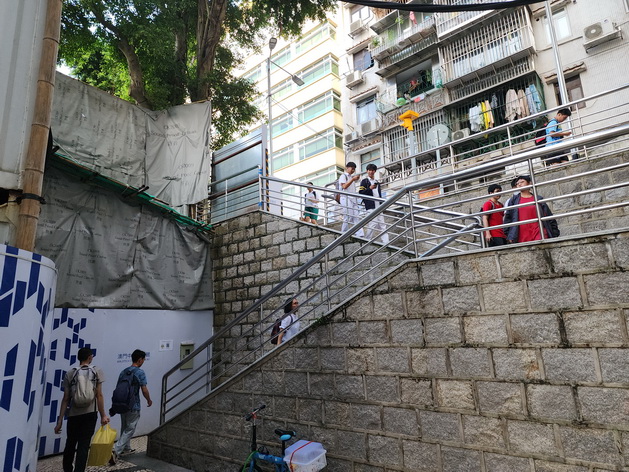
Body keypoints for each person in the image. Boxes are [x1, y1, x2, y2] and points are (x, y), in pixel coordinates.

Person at [54, 347, 109, 472]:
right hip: (90, 414)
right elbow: (99, 395)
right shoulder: (97, 371)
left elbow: (66, 398)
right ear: (90, 357)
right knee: (83, 446)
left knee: (70, 444)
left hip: (74, 415)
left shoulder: (70, 373)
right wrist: (103, 415)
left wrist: (60, 420)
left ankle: (68, 469)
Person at [109, 349, 152, 464]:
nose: (143, 361)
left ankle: (126, 448)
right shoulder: (140, 372)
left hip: (122, 404)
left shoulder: (124, 371)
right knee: (130, 428)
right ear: (140, 360)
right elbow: (144, 389)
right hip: (134, 405)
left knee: (124, 426)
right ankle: (116, 450)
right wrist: (149, 400)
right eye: (143, 359)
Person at [503, 175, 559, 243]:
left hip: (538, 231)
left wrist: (554, 231)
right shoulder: (513, 201)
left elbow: (548, 215)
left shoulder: (538, 199)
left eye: (522, 182)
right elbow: (508, 217)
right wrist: (509, 235)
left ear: (529, 183)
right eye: (517, 183)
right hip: (522, 234)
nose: (519, 184)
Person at [358, 163, 389, 244]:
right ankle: (367, 240)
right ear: (367, 171)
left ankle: (386, 242)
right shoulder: (364, 181)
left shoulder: (376, 182)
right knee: (373, 223)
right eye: (369, 170)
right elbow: (361, 193)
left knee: (382, 224)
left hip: (378, 205)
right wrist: (370, 188)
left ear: (375, 171)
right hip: (370, 206)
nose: (371, 172)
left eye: (372, 170)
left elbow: (379, 194)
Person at [338, 162, 363, 236]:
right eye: (352, 168)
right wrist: (352, 179)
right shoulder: (343, 176)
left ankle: (360, 234)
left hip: (353, 199)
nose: (353, 170)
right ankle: (344, 232)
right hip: (345, 198)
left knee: (356, 216)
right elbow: (344, 186)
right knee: (348, 216)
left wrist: (355, 179)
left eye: (354, 169)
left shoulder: (351, 177)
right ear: (347, 168)